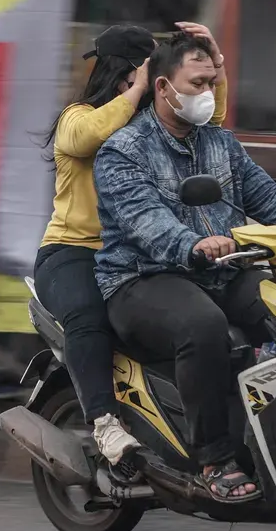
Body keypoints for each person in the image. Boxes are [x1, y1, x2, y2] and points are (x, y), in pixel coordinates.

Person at [93, 32, 276, 502]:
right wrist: (195, 244)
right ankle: (213, 459)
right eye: (197, 84)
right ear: (163, 87)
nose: (207, 93)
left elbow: (269, 196)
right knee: (203, 325)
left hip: (222, 270)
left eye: (211, 82)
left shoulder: (221, 144)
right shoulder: (123, 151)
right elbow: (147, 224)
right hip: (141, 279)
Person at [35, 23, 229, 465]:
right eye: (136, 76)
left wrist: (215, 65)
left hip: (137, 254)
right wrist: (141, 87)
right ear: (121, 75)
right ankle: (103, 423)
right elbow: (88, 137)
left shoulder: (147, 126)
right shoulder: (79, 117)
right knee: (89, 314)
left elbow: (212, 121)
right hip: (74, 252)